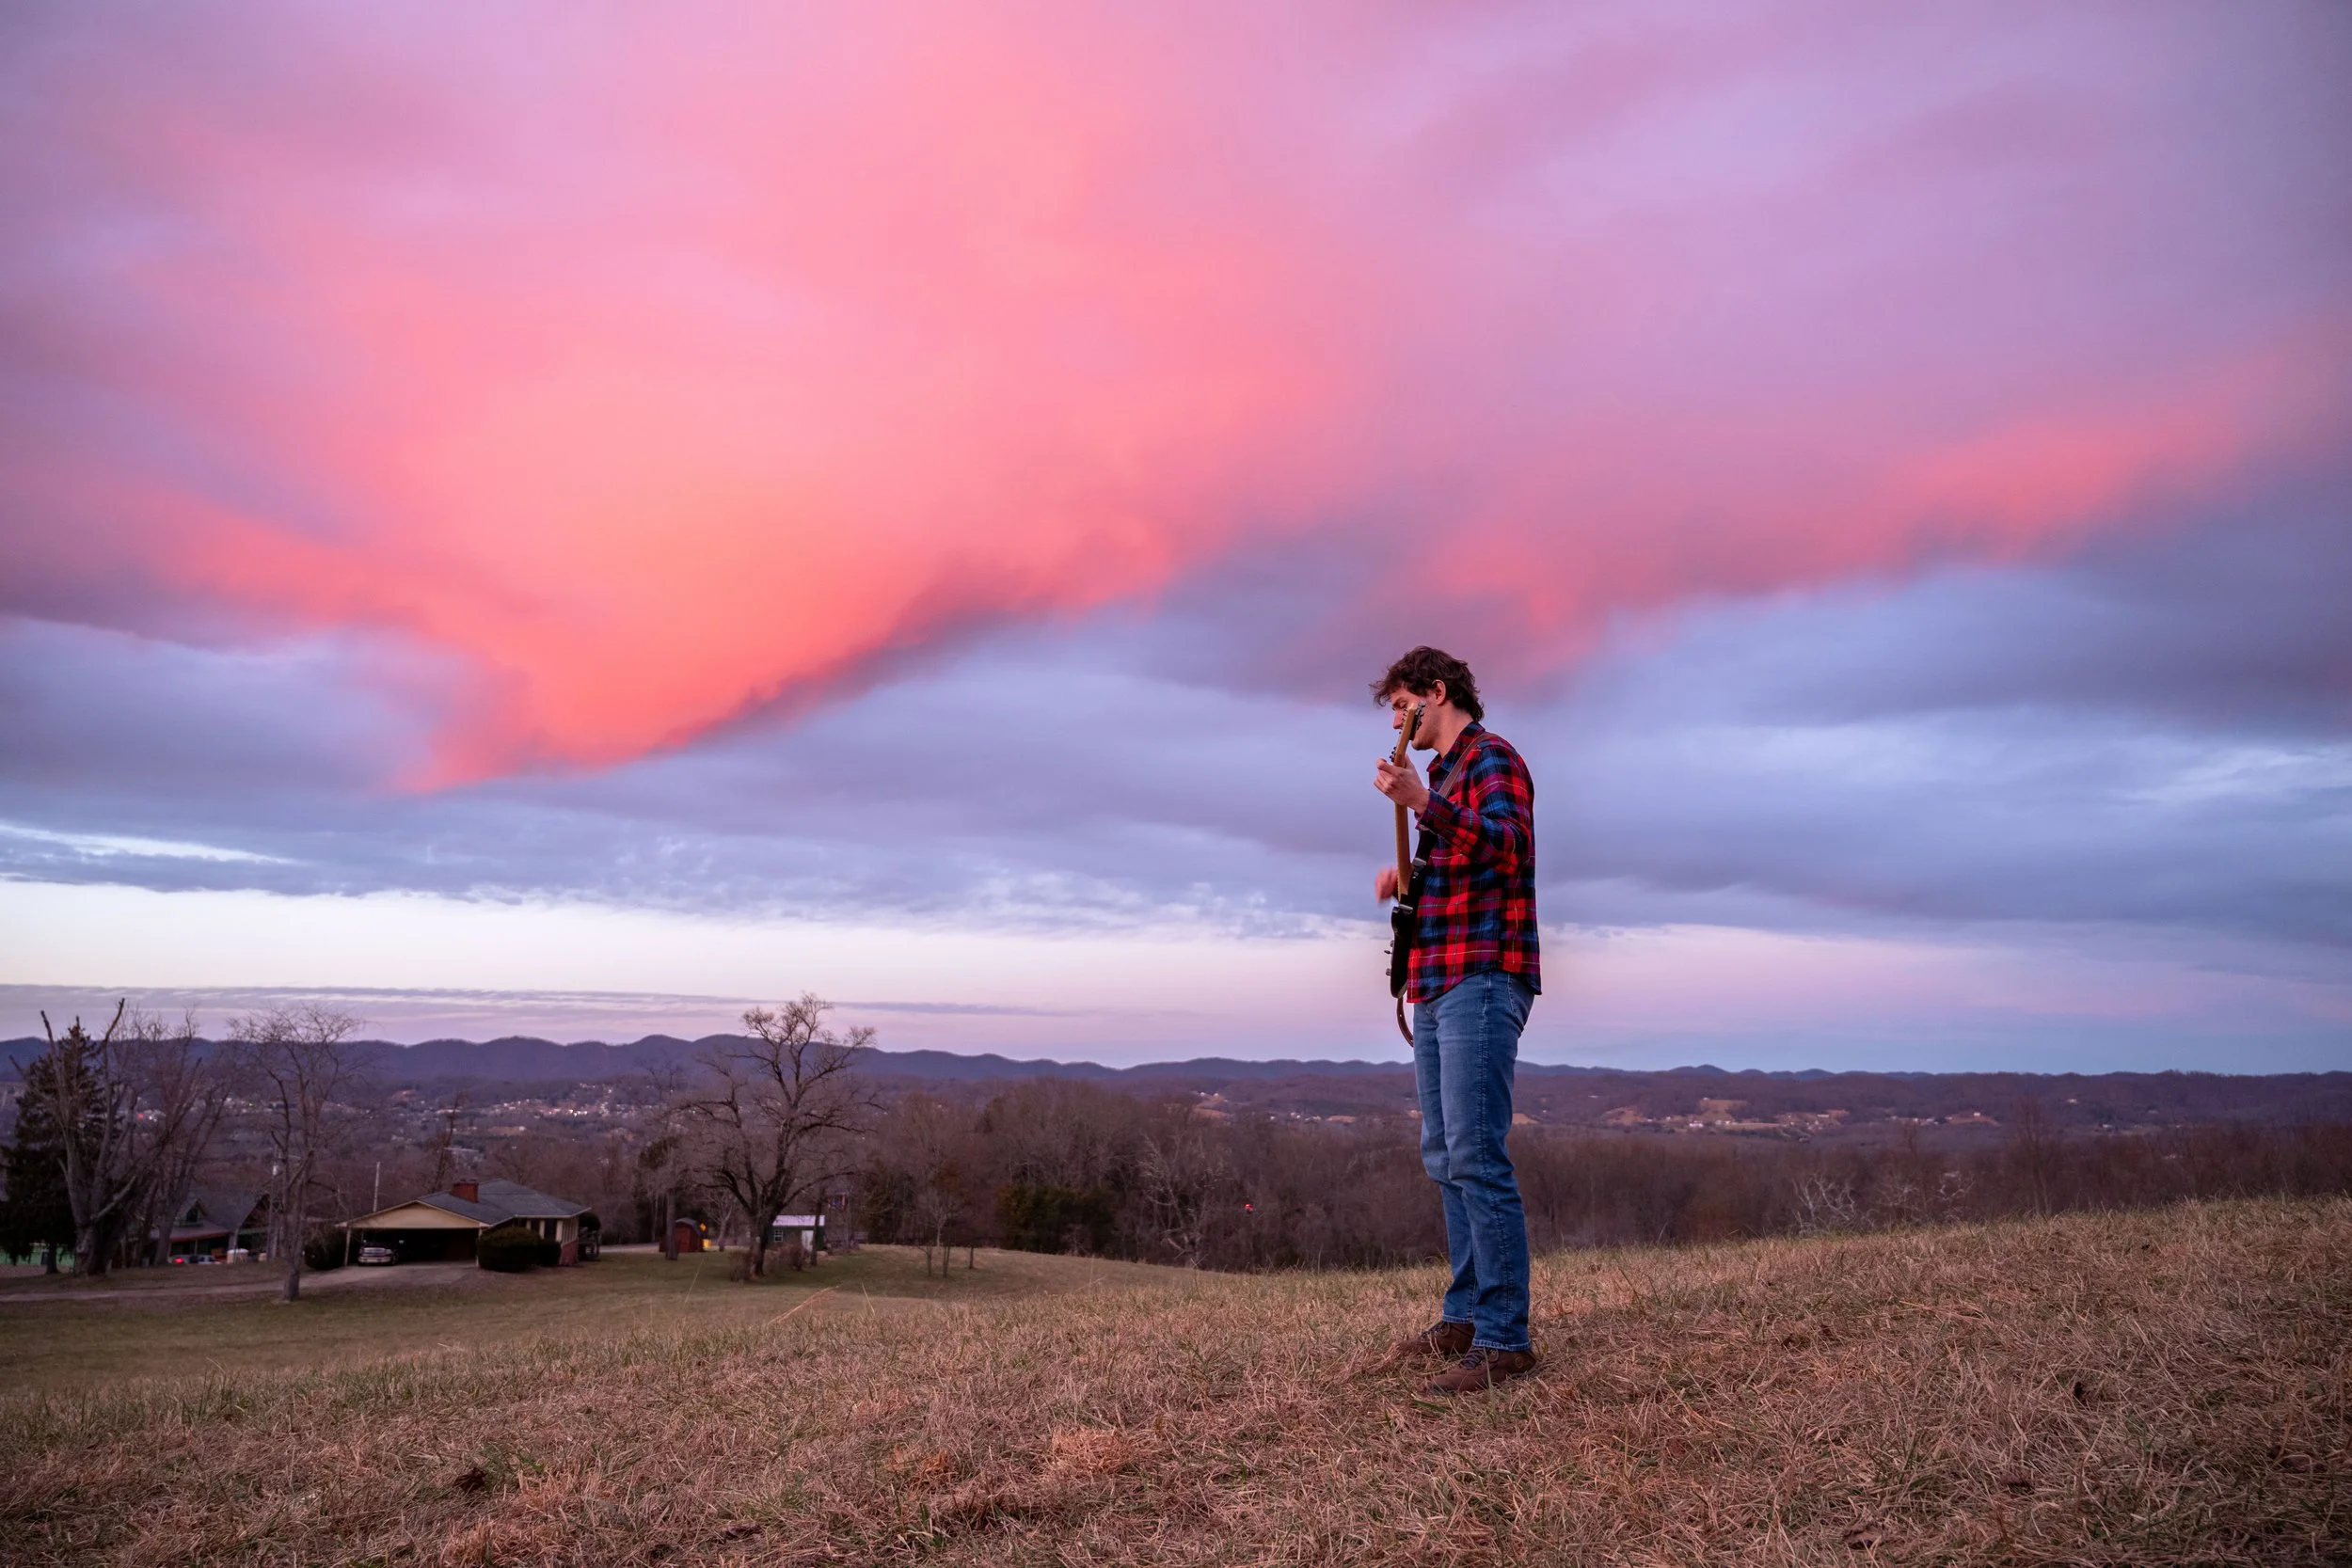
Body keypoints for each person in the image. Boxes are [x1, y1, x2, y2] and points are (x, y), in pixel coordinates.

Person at [1370, 646, 1540, 1394]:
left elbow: (1509, 847)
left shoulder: (1491, 759)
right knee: (1444, 1154)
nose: (1398, 724)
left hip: (1482, 973)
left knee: (1477, 1152)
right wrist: (1407, 874)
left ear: (1436, 693)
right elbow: (1460, 864)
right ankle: (1468, 1314)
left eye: (1403, 706)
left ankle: (1506, 1340)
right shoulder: (1442, 780)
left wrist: (1423, 805)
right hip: (1436, 980)